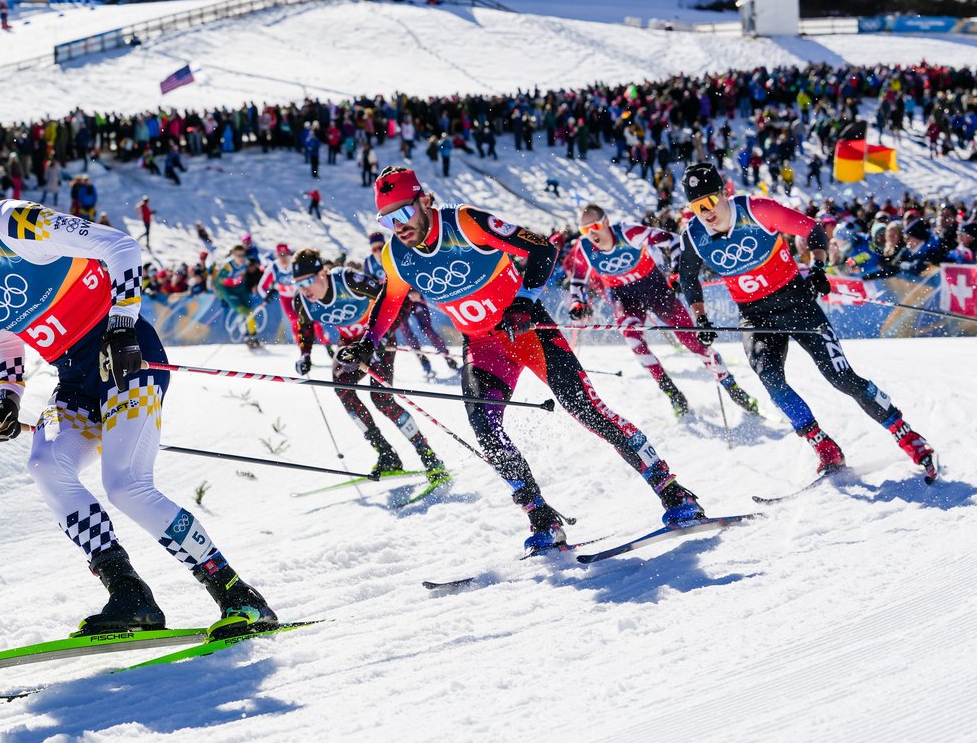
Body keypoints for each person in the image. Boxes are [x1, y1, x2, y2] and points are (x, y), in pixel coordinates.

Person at [0, 159, 277, 637]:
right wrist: (8, 394)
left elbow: (119, 247)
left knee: (126, 485)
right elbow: (2, 337)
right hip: (73, 376)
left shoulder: (12, 225)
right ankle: (129, 594)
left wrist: (121, 325)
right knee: (46, 465)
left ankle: (239, 596)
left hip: (126, 355)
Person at [357, 166, 709, 551]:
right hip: (483, 346)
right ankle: (541, 518)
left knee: (586, 410)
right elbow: (389, 300)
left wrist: (524, 302)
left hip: (526, 331)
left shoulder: (465, 222)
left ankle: (673, 491)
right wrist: (366, 343)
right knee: (487, 431)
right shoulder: (395, 255)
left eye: (403, 213)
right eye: (387, 219)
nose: (398, 226)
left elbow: (542, 248)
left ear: (424, 200)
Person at [676, 162, 937, 483]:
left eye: (709, 202)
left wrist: (817, 267)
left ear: (724, 193)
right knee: (772, 381)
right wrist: (700, 316)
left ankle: (907, 434)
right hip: (755, 316)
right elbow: (687, 276)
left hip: (796, 304)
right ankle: (823, 445)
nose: (705, 212)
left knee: (840, 377)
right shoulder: (694, 233)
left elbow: (812, 229)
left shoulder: (757, 210)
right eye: (695, 206)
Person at [564, 203, 760, 417]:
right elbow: (577, 282)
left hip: (654, 288)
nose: (591, 233)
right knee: (632, 339)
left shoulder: (629, 233)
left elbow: (673, 240)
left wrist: (677, 270)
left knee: (693, 341)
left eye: (595, 225)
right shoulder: (583, 248)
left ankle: (733, 389)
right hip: (624, 297)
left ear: (607, 222)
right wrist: (576, 303)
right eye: (585, 229)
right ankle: (673, 395)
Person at [290, 248, 448, 483]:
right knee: (343, 390)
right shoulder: (302, 300)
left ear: (322, 272)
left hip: (376, 339)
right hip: (348, 345)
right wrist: (305, 354)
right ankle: (386, 455)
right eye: (298, 283)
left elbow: (393, 298)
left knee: (382, 399)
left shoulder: (348, 280)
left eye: (309, 281)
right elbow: (304, 327)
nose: (305, 288)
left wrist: (383, 335)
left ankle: (429, 457)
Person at [214, 244, 262, 348]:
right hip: (229, 292)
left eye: (242, 255)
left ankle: (253, 337)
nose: (241, 258)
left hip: (241, 289)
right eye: (238, 255)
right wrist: (221, 296)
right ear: (233, 255)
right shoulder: (228, 266)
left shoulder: (246, 262)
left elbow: (251, 274)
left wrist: (253, 284)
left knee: (250, 312)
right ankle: (247, 336)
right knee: (246, 312)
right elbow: (218, 282)